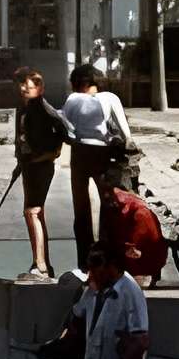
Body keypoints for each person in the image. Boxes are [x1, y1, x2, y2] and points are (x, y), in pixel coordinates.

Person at [60, 62, 132, 263]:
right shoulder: (109, 98)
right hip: (103, 152)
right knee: (107, 202)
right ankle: (107, 253)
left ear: (78, 83)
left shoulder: (72, 99)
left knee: (81, 205)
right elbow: (125, 132)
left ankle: (84, 258)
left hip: (80, 151)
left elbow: (66, 127)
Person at [10, 66, 70, 282]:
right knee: (34, 212)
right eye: (21, 84)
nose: (24, 88)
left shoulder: (44, 108)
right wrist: (20, 161)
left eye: (29, 85)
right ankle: (42, 262)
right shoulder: (22, 108)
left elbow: (65, 130)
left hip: (41, 165)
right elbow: (21, 137)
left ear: (40, 88)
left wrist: (52, 152)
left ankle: (41, 266)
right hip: (27, 165)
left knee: (32, 212)